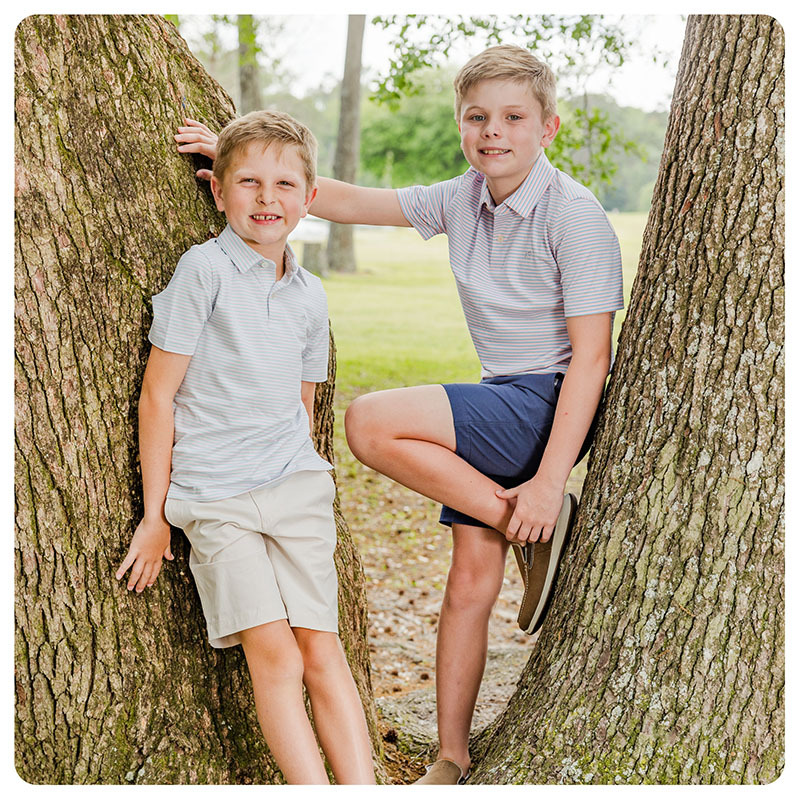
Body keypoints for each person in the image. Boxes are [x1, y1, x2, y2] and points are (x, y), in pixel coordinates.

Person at [175, 43, 623, 785]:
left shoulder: (574, 216)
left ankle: (527, 523)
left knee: (371, 422)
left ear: (547, 128)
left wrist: (546, 486)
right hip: (498, 399)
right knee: (469, 586)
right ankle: (451, 757)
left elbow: (592, 360)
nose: (493, 131)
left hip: (545, 401)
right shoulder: (460, 199)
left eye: (514, 117)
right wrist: (237, 149)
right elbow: (339, 196)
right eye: (476, 117)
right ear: (459, 125)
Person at [116, 110, 375, 785]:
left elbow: (304, 405)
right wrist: (155, 518)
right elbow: (158, 398)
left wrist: (308, 471)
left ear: (311, 199)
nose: (268, 199)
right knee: (277, 657)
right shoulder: (202, 272)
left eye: (285, 184)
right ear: (218, 191)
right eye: (250, 182)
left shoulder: (311, 295)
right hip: (216, 498)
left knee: (322, 649)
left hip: (295, 488)